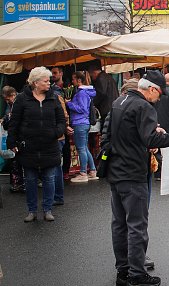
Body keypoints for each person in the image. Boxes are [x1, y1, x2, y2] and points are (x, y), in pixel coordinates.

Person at [102, 71, 169, 286]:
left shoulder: (119, 101)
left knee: (119, 223)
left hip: (116, 169)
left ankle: (123, 270)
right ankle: (136, 274)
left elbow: (113, 135)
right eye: (160, 93)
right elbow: (152, 139)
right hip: (133, 171)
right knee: (136, 225)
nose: (160, 98)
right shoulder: (143, 106)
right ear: (152, 89)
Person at [7, 67, 66, 222]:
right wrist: (11, 141)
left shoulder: (53, 97)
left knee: (49, 178)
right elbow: (14, 122)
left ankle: (47, 209)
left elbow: (62, 120)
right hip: (28, 146)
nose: (49, 83)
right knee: (31, 179)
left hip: (49, 145)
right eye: (45, 81)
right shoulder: (21, 98)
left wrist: (56, 132)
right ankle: (32, 210)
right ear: (35, 83)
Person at [67, 71, 98, 183]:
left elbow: (83, 109)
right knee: (84, 148)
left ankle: (83, 173)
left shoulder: (81, 93)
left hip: (80, 123)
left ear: (79, 80)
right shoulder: (87, 92)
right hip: (84, 123)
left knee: (81, 148)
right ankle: (92, 170)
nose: (72, 81)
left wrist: (69, 104)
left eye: (73, 79)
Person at [2, 86, 25, 193]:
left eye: (7, 99)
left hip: (21, 136)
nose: (7, 101)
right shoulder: (11, 105)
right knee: (15, 160)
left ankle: (19, 182)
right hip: (15, 136)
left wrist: (8, 118)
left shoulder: (20, 102)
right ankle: (17, 183)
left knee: (19, 160)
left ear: (13, 95)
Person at [88, 60, 119, 124]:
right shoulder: (108, 77)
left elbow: (101, 93)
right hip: (113, 106)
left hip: (106, 108)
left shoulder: (101, 78)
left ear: (94, 72)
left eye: (91, 76)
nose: (92, 78)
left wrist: (93, 102)